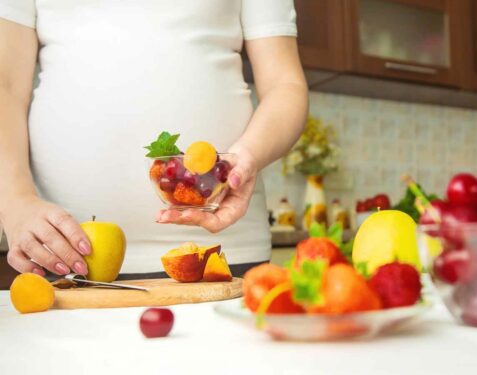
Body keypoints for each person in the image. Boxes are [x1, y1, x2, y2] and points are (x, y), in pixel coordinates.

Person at [0, 0, 308, 278]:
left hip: (221, 252)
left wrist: (246, 158)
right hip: (57, 249)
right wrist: (16, 202)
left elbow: (285, 85)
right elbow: (6, 86)